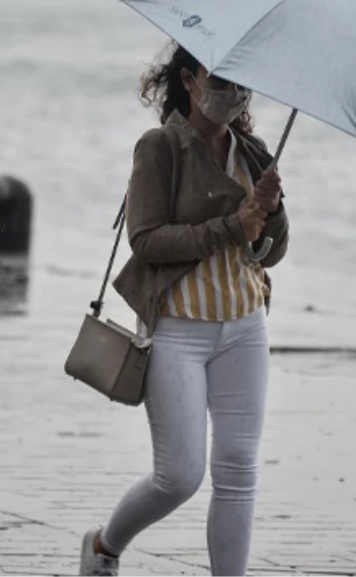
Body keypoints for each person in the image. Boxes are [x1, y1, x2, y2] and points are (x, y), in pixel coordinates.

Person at [78, 43, 289, 577]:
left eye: (240, 80)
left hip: (244, 323)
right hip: (178, 328)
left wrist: (273, 211)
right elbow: (146, 241)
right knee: (179, 475)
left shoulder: (254, 152)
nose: (231, 92)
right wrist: (231, 226)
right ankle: (104, 546)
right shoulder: (160, 147)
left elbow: (272, 252)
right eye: (219, 78)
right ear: (190, 82)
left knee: (239, 469)